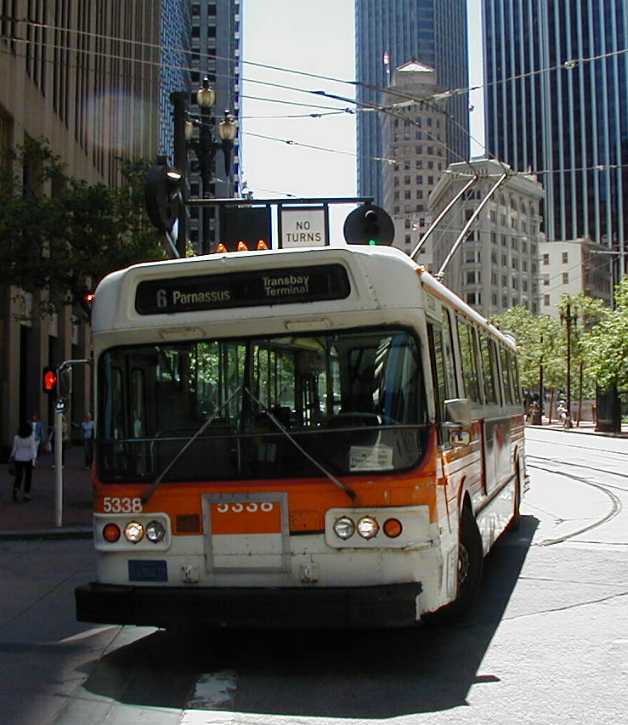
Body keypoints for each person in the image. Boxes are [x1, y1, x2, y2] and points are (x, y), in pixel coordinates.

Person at [9, 421, 38, 502]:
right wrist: (34, 460)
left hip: (18, 459)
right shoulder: (31, 438)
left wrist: (11, 457)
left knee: (18, 476)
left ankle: (16, 490)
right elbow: (33, 450)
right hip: (28, 459)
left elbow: (14, 449)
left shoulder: (16, 437)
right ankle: (26, 494)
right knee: (28, 477)